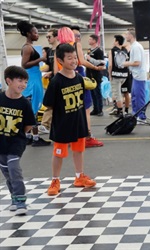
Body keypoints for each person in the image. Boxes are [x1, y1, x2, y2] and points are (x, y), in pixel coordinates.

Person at [43, 43, 96, 196]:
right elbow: (48, 104)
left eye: (75, 58)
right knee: (59, 153)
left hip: (78, 121)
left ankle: (79, 177)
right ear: (60, 60)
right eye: (69, 58)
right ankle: (55, 180)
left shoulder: (79, 78)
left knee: (79, 150)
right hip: (62, 124)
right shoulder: (56, 81)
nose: (73, 61)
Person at [0, 66, 36, 215]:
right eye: (19, 80)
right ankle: (14, 198)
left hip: (17, 141)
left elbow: (28, 124)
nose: (23, 85)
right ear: (8, 81)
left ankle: (21, 200)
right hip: (1, 142)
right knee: (7, 172)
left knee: (14, 167)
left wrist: (19, 135)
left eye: (25, 82)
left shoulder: (25, 103)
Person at [16, 20, 51, 147]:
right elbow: (24, 65)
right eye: (35, 32)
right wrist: (40, 59)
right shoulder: (27, 48)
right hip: (32, 80)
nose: (37, 34)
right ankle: (35, 138)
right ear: (29, 34)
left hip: (34, 78)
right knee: (32, 109)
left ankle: (29, 136)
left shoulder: (29, 47)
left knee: (32, 109)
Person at [69, 26, 104, 148]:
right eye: (76, 35)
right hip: (79, 76)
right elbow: (82, 62)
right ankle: (87, 136)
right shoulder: (75, 45)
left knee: (71, 108)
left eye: (79, 36)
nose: (78, 38)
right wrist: (95, 67)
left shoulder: (60, 47)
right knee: (85, 108)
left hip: (67, 77)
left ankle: (72, 135)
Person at [123, 29, 147, 123]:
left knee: (139, 97)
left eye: (127, 34)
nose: (125, 36)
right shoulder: (134, 46)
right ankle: (135, 115)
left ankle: (141, 117)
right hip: (135, 76)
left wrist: (126, 63)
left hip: (139, 76)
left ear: (131, 35)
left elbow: (137, 62)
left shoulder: (136, 47)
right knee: (134, 97)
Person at [38, 28, 59, 135]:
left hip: (60, 82)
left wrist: (51, 72)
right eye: (47, 37)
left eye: (49, 37)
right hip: (52, 82)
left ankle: (46, 124)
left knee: (54, 104)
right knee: (50, 103)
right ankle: (46, 125)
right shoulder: (50, 51)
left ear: (56, 37)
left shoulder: (60, 50)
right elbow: (49, 66)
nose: (48, 39)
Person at [108, 35, 131, 117]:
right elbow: (128, 45)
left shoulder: (112, 51)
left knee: (117, 94)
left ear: (117, 41)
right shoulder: (124, 50)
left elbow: (110, 65)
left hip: (116, 75)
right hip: (124, 75)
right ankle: (124, 110)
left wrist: (109, 74)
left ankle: (120, 111)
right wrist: (121, 45)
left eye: (114, 40)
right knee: (124, 93)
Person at [86, 34, 105, 116]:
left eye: (90, 39)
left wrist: (90, 59)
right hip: (89, 73)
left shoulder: (99, 51)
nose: (88, 41)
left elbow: (101, 62)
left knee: (97, 92)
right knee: (92, 93)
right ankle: (95, 109)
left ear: (94, 40)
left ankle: (100, 109)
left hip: (96, 74)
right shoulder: (89, 50)